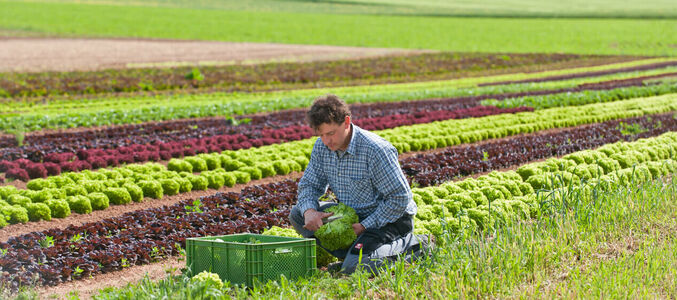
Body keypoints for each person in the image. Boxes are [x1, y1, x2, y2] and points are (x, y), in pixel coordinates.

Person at [289, 94, 426, 274]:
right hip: (353, 218)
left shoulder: (375, 150)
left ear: (346, 122)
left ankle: (416, 245)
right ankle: (354, 255)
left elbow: (399, 199)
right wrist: (309, 212)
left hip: (388, 220)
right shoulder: (322, 147)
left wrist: (364, 225)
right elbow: (309, 185)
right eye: (321, 134)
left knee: (356, 268)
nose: (326, 141)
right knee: (297, 214)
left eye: (331, 133)